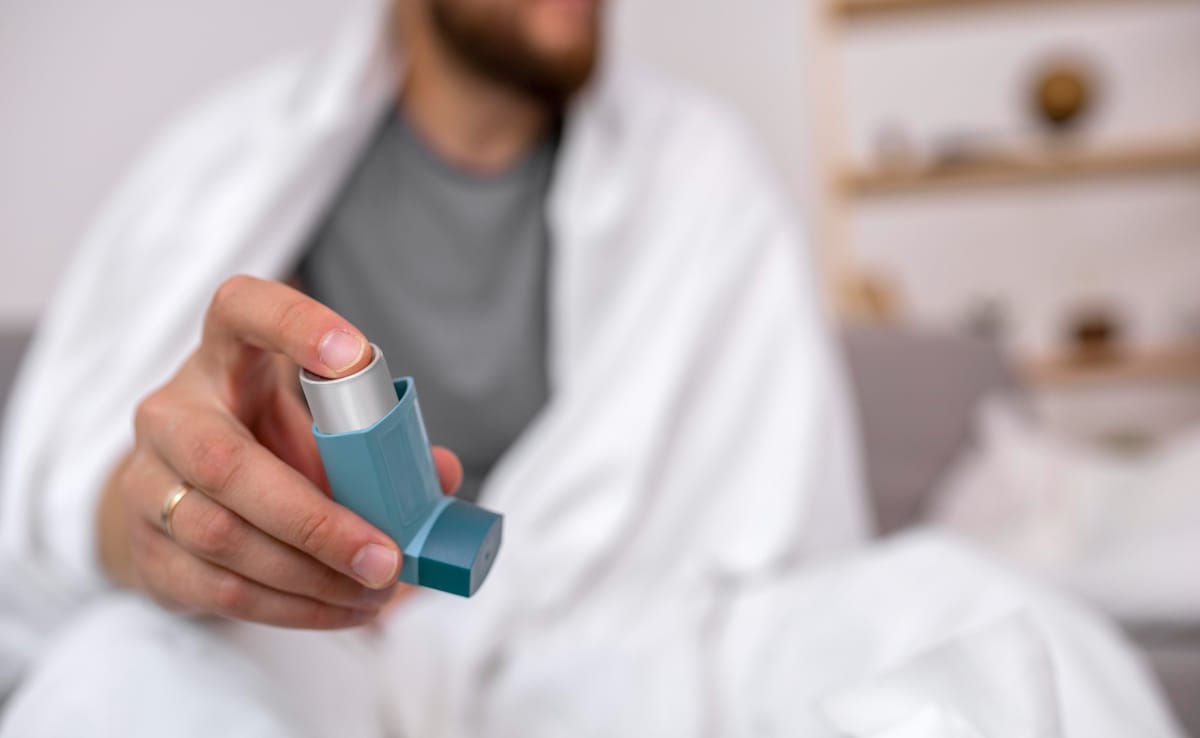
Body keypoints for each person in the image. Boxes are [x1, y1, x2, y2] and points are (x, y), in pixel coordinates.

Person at [0, 1, 1182, 736]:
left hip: (611, 665)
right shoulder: (221, 164)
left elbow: (784, 555)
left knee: (973, 608)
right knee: (121, 676)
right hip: (304, 662)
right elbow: (53, 535)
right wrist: (159, 523)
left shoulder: (703, 175)